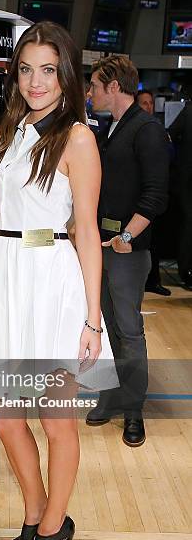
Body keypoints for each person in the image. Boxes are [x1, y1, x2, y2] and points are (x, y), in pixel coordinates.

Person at [0, 21, 118, 540]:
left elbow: (85, 230)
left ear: (67, 75)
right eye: (26, 69)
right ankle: (36, 516)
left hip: (52, 280)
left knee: (58, 421)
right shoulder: (5, 134)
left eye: (48, 70)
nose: (36, 81)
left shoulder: (77, 137)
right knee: (6, 417)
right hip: (8, 284)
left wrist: (91, 317)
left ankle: (56, 525)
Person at [86, 56, 169, 445]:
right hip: (102, 247)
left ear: (114, 86)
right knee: (109, 327)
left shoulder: (147, 129)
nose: (90, 94)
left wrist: (127, 238)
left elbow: (155, 196)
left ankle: (133, 410)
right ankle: (113, 395)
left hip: (127, 251)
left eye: (95, 87)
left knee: (130, 330)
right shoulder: (112, 129)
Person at [136, 89, 171, 296]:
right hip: (140, 201)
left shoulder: (157, 129)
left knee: (155, 242)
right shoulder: (141, 130)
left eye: (150, 103)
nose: (148, 106)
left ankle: (154, 280)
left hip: (155, 198)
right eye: (144, 103)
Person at [168, 98, 192, 289]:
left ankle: (186, 270)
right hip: (186, 180)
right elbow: (169, 138)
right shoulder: (188, 112)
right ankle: (186, 269)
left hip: (185, 177)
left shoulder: (188, 112)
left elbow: (170, 137)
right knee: (188, 225)